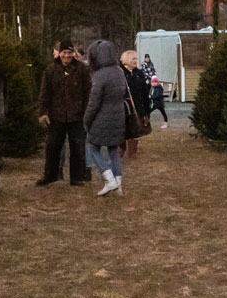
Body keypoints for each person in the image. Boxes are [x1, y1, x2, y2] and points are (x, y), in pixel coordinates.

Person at [35, 39, 90, 186]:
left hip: (77, 116)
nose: (67, 55)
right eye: (64, 52)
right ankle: (50, 175)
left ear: (73, 53)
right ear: (59, 53)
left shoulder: (82, 70)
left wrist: (86, 113)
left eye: (69, 52)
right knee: (52, 148)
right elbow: (45, 94)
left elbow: (88, 93)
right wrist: (43, 112)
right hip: (56, 116)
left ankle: (76, 177)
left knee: (77, 148)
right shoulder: (50, 70)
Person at [82, 39, 132, 195]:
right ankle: (118, 184)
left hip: (101, 118)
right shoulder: (119, 71)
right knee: (113, 150)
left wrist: (86, 121)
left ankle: (109, 178)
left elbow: (93, 103)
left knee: (92, 147)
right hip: (118, 117)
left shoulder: (100, 75)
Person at [120, 48, 151, 158]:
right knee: (124, 129)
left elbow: (145, 92)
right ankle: (121, 149)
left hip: (138, 106)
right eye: (133, 59)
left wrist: (147, 110)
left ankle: (132, 152)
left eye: (136, 59)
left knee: (136, 128)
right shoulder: (121, 73)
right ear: (127, 59)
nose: (136, 61)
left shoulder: (139, 73)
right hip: (125, 107)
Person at [144, 54, 171, 129]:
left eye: (154, 82)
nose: (153, 83)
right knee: (148, 111)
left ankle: (166, 123)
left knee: (163, 113)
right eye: (152, 82)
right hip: (154, 103)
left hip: (158, 103)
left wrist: (151, 97)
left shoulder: (159, 88)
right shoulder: (152, 87)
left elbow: (157, 95)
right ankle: (147, 122)